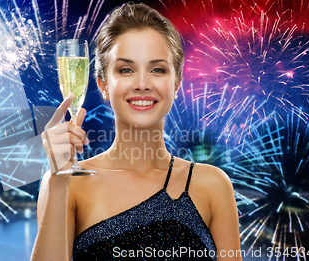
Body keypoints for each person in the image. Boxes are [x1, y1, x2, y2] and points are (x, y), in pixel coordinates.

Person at [31, 3, 241, 261]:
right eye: (126, 70)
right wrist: (59, 180)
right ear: (103, 85)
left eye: (157, 69)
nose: (142, 84)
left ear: (176, 84)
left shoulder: (213, 186)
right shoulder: (67, 184)